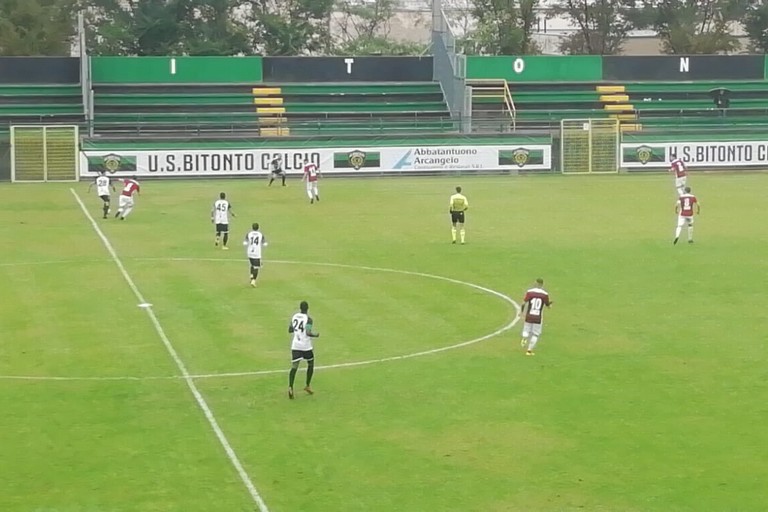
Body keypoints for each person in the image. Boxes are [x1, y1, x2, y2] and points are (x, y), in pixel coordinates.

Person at [287, 300, 320, 399]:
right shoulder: (308, 319)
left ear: (300, 308)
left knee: (294, 367)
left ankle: (290, 387)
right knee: (310, 363)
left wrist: (297, 330)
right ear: (307, 308)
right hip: (306, 346)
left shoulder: (295, 317)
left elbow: (290, 330)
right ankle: (307, 385)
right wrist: (316, 335)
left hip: (296, 345)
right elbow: (308, 332)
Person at [520, 278, 553, 356]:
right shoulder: (545, 294)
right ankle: (529, 351)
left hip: (529, 315)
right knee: (535, 334)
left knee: (526, 329)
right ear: (542, 284)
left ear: (535, 283)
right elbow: (548, 306)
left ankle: (525, 337)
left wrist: (521, 312)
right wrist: (550, 305)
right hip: (538, 317)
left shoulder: (530, 292)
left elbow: (523, 303)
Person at [243, 222, 267, 287]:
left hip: (249, 252)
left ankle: (251, 276)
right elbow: (265, 244)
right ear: (258, 228)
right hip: (257, 253)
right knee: (256, 267)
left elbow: (245, 243)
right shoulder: (260, 235)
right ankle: (253, 281)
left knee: (252, 265)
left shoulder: (249, 234)